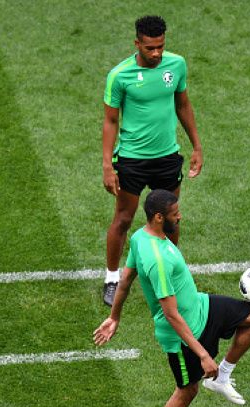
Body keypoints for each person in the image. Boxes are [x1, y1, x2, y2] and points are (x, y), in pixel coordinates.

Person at [94, 189, 250, 407]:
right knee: (187, 391)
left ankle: (222, 376)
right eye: (175, 215)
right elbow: (171, 314)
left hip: (202, 306)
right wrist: (202, 355)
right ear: (158, 217)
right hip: (181, 335)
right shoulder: (158, 259)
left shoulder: (141, 238)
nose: (180, 218)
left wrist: (114, 317)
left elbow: (124, 281)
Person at [101, 15, 204, 306]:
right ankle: (111, 278)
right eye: (150, 48)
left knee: (171, 218)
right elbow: (110, 121)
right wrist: (108, 165)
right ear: (137, 43)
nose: (156, 53)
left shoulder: (176, 65)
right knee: (123, 219)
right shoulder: (119, 75)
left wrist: (197, 146)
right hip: (132, 160)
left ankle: (171, 273)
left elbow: (183, 104)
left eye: (160, 46)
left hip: (167, 157)